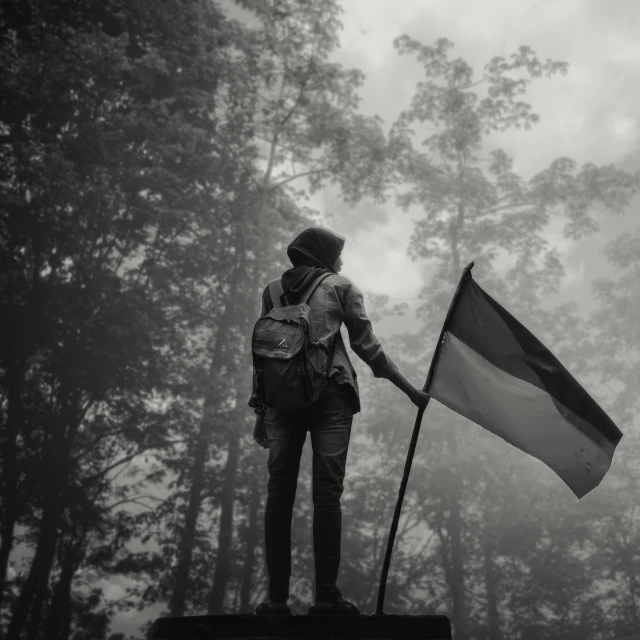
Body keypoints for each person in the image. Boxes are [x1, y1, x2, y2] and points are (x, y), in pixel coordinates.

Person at [251, 227, 430, 616]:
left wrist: (260, 407)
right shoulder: (341, 287)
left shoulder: (272, 290)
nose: (342, 261)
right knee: (327, 495)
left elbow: (265, 351)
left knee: (278, 494)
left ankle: (277, 601)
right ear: (323, 253)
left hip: (280, 401)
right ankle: (326, 597)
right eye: (338, 253)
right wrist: (411, 391)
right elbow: (368, 348)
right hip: (331, 396)